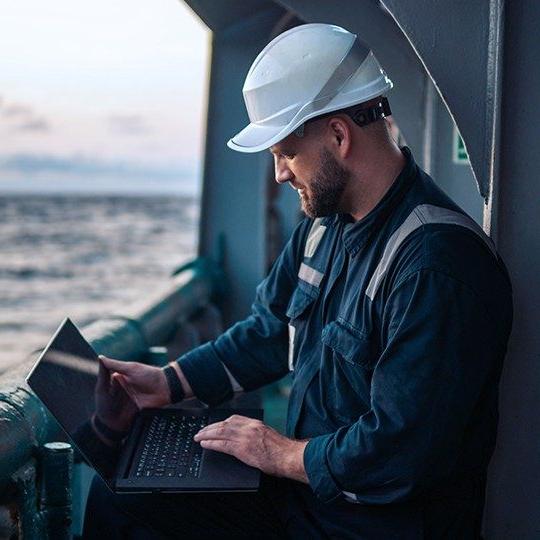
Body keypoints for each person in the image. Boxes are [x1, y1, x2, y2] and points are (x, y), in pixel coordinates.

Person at [83, 23, 513, 539]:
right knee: (123, 496)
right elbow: (269, 330)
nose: (280, 175)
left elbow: (400, 454)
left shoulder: (435, 265)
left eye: (285, 152)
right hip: (311, 500)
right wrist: (167, 382)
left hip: (374, 524)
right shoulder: (323, 224)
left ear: (338, 135)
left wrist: (278, 452)